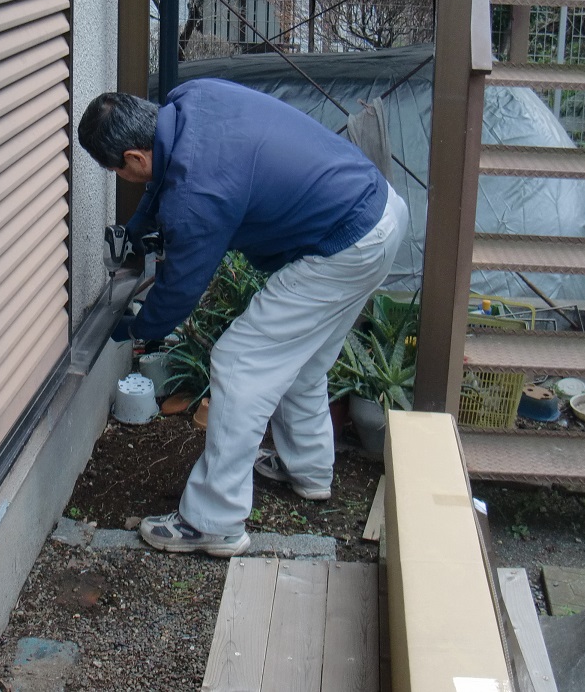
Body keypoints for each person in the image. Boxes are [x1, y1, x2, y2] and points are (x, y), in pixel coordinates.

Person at [77, 79, 408, 557]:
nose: (126, 179)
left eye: (119, 172)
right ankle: (310, 472)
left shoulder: (198, 195)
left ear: (134, 159)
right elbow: (162, 177)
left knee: (239, 360)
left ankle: (214, 520)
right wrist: (136, 231)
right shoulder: (190, 98)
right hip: (379, 210)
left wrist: (130, 328)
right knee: (306, 360)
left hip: (346, 244)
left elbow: (178, 293)